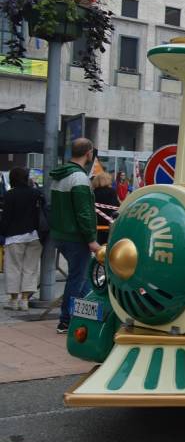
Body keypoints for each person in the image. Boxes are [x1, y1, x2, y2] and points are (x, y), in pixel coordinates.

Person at [50, 138, 100, 334]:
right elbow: (83, 212)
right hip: (76, 236)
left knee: (84, 276)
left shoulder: (59, 175)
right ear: (88, 153)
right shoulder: (79, 178)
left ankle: (89, 314)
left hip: (61, 234)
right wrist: (91, 239)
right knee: (77, 278)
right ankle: (66, 320)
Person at [0, 167, 43, 311]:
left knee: (13, 268)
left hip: (14, 236)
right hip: (35, 236)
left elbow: (5, 218)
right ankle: (24, 300)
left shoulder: (9, 195)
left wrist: (3, 232)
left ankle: (13, 300)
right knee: (30, 268)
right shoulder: (36, 193)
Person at [91, 172, 120, 245]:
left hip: (96, 223)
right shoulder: (112, 192)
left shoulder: (93, 192)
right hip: (109, 223)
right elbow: (116, 206)